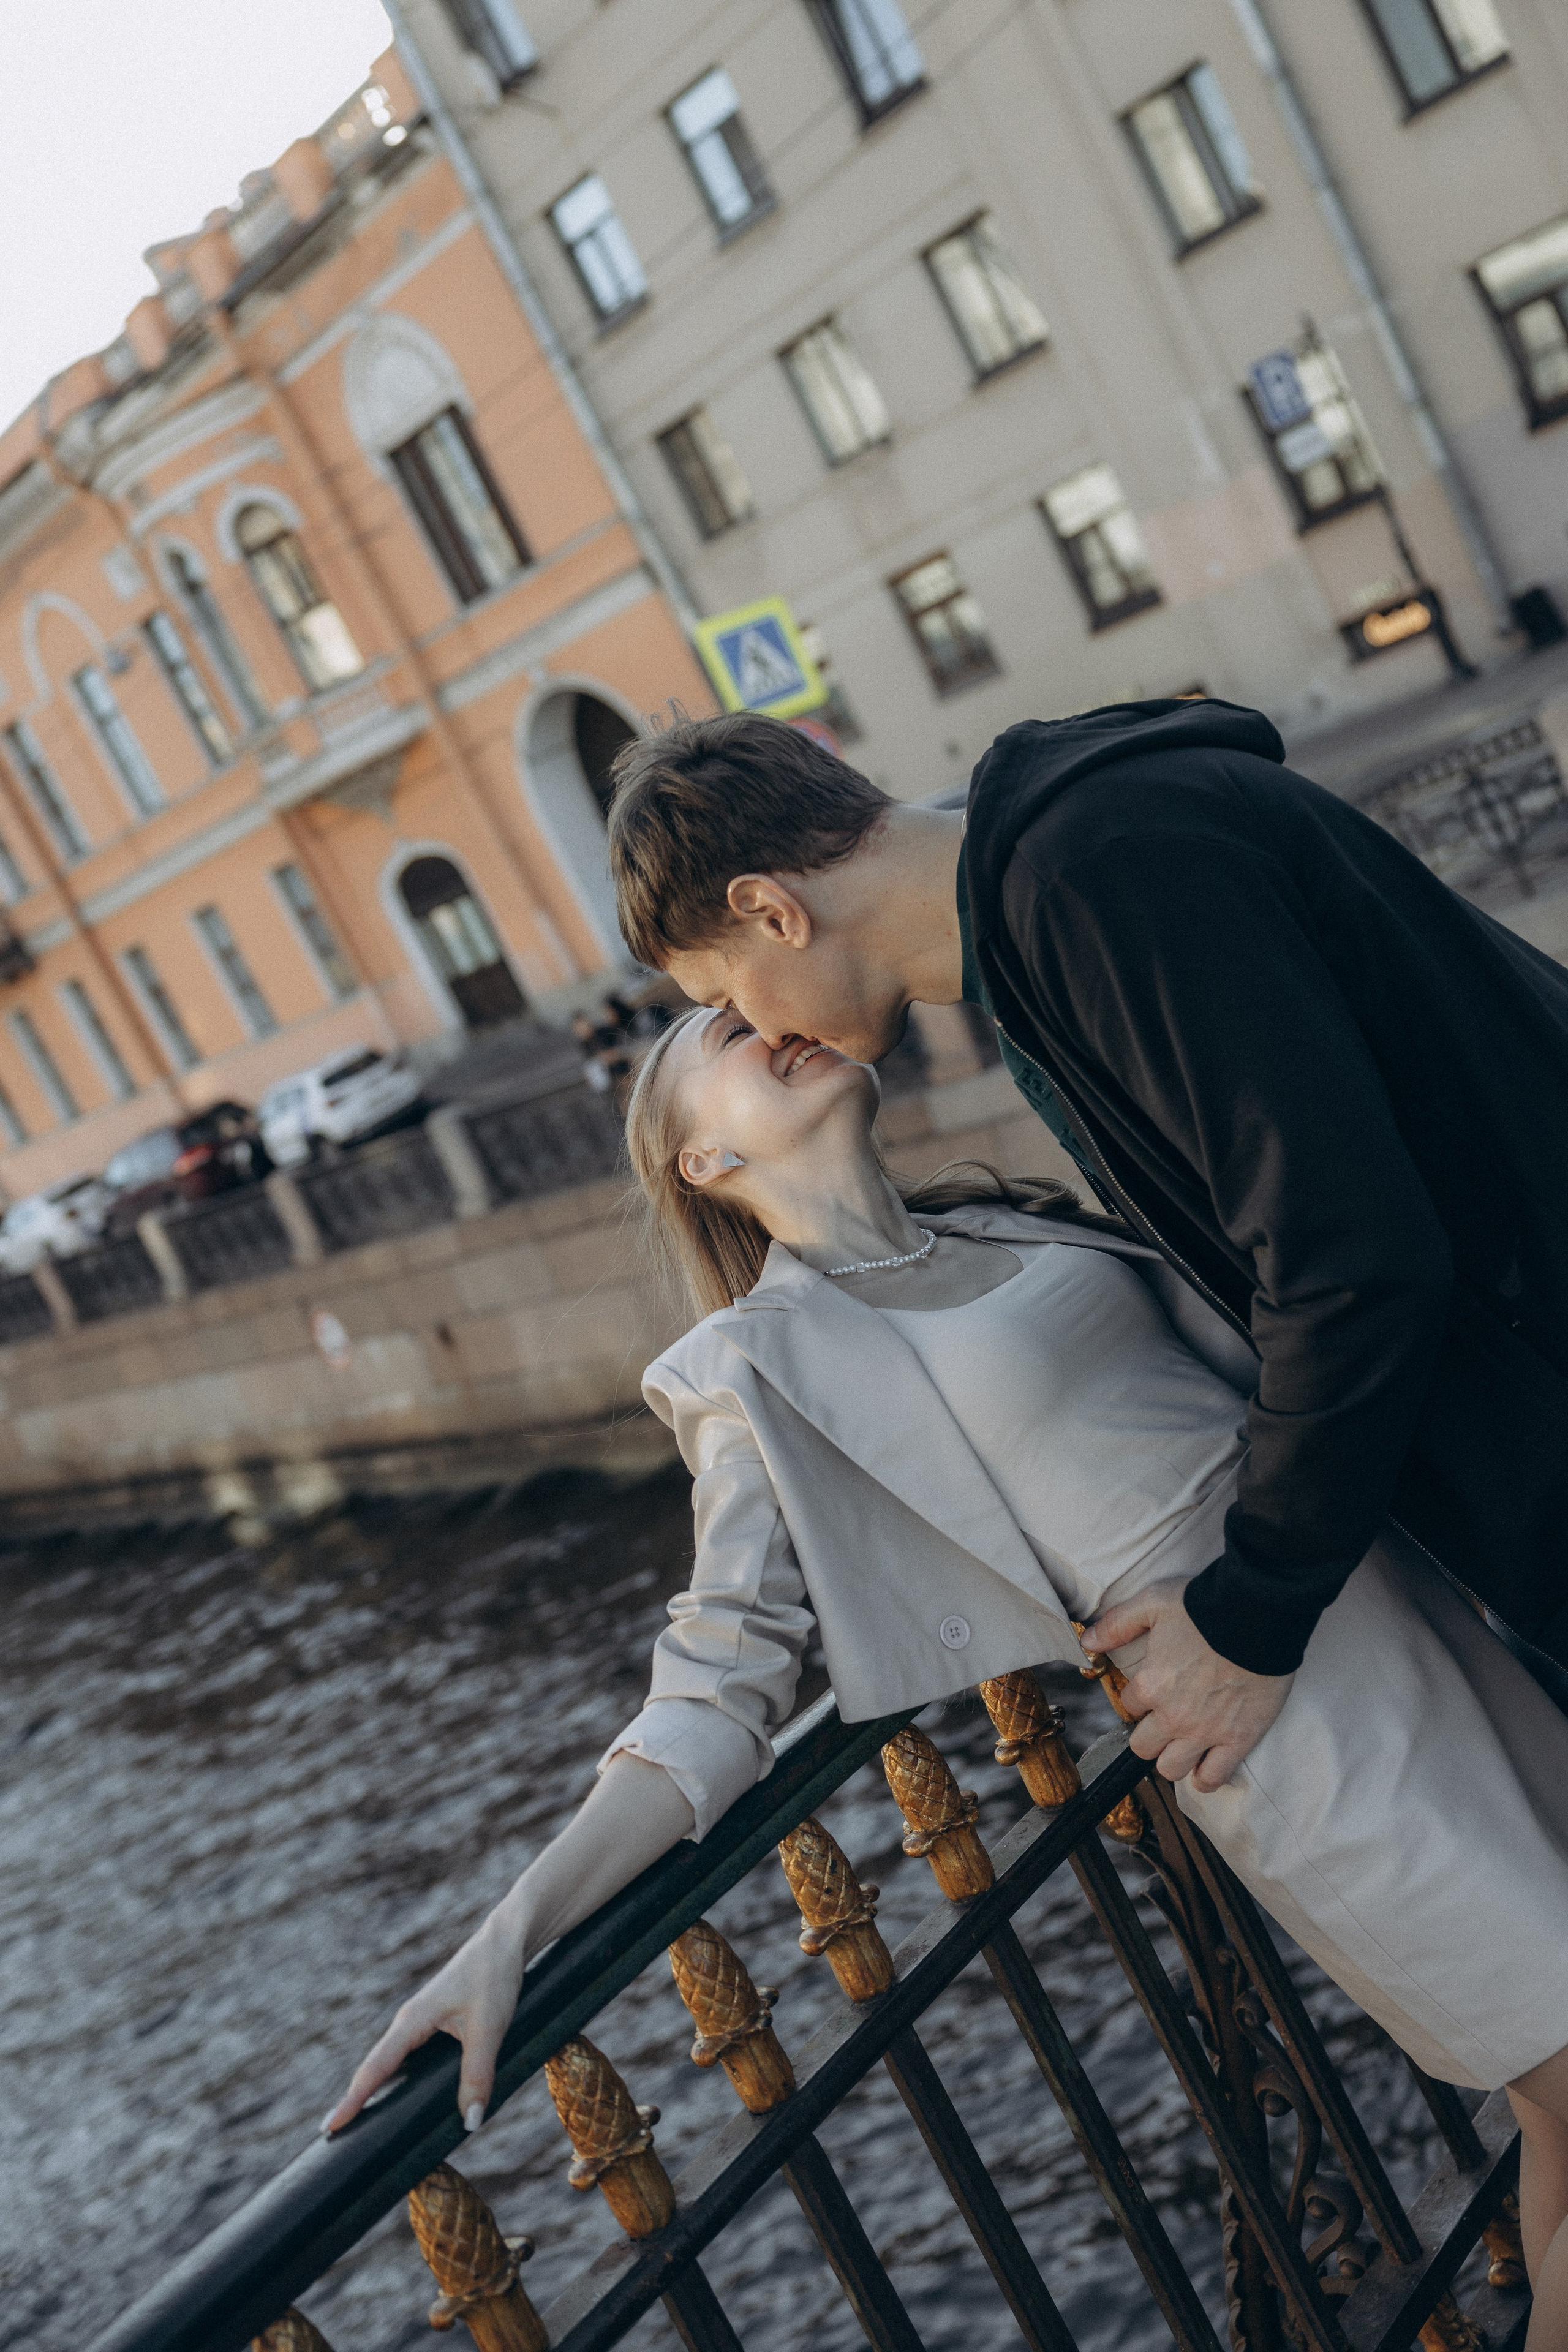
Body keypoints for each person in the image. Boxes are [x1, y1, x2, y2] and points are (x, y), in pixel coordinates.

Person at [328, 1011, 1568, 2340]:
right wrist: (507, 1934)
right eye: (724, 1033)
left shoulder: (1003, 1221)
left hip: (1397, 1618)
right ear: (698, 1160)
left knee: (1552, 2123)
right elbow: (715, 1684)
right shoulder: (748, 1364)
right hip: (1289, 1739)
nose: (766, 1022)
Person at [603, 704, 1568, 1790]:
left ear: (771, 911)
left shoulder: (1094, 883)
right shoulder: (1066, 885)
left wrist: (1252, 1614)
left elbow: (1350, 1264)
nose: (762, 1028)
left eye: (725, 993)